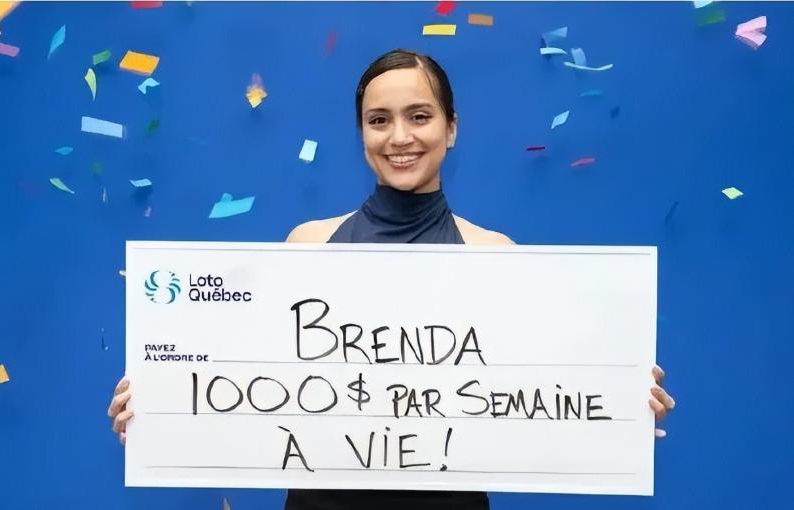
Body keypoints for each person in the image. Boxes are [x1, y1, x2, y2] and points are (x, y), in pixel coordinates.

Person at [108, 49, 676, 510]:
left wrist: (618, 407)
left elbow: (540, 399)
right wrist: (159, 409)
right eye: (379, 120)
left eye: (419, 116)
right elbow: (243, 387)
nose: (399, 136)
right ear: (361, 134)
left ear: (451, 129)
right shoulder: (307, 245)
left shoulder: (494, 255)